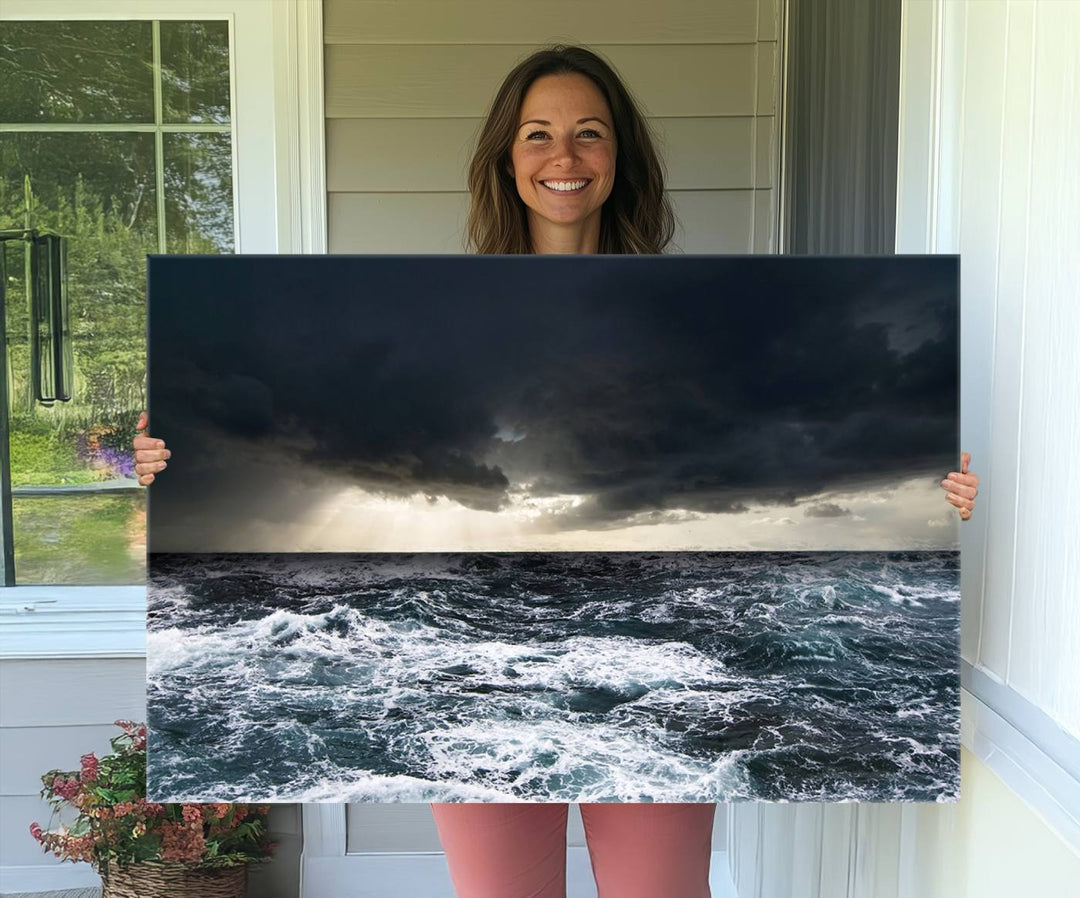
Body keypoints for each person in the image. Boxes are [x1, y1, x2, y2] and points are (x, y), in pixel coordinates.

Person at [133, 45, 980, 898]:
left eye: (589, 134)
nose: (564, 157)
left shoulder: (691, 313)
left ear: (620, 158)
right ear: (507, 158)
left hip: (660, 649)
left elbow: (827, 435)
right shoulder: (438, 316)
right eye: (538, 135)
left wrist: (936, 494)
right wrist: (171, 461)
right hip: (469, 658)